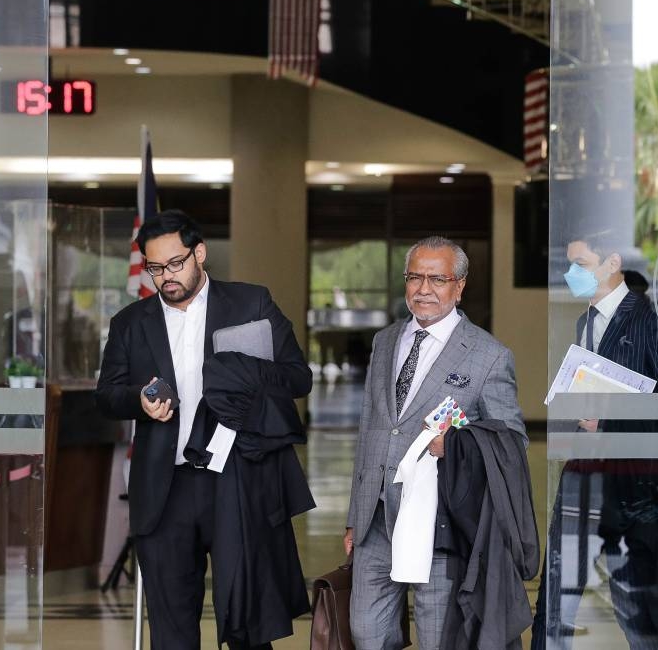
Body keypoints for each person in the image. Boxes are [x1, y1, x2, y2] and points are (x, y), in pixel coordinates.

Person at [95, 210, 313, 649]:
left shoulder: (251, 303)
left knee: (248, 623)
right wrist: (138, 399)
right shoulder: (130, 323)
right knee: (172, 629)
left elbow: (298, 377)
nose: (165, 277)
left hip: (237, 481)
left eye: (175, 263)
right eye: (155, 268)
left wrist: (244, 374)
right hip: (164, 489)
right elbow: (106, 395)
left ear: (200, 253)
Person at [344, 235, 527, 650]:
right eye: (414, 277)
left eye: (437, 279)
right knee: (366, 633)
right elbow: (372, 426)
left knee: (437, 635)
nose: (423, 289)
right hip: (376, 518)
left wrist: (459, 444)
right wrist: (355, 515)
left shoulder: (489, 355)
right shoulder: (385, 341)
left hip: (438, 522)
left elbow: (511, 441)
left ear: (459, 286)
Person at [532, 233, 658, 650]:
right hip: (585, 470)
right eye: (570, 264)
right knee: (556, 593)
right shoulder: (583, 321)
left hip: (635, 475)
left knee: (635, 603)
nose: (572, 274)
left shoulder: (647, 317)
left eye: (581, 264)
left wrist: (611, 415)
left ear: (611, 263)